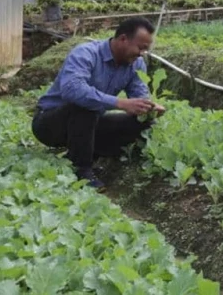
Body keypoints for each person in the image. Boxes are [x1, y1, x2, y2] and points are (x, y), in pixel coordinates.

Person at [33, 17, 165, 189]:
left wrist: (149, 108)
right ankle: (81, 169)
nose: (141, 53)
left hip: (88, 125)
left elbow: (139, 96)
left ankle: (88, 152)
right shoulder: (86, 53)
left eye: (145, 50)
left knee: (143, 123)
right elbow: (72, 89)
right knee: (84, 105)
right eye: (140, 48)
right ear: (123, 39)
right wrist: (119, 103)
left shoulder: (136, 64)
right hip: (50, 125)